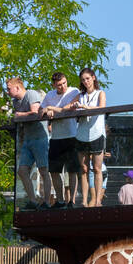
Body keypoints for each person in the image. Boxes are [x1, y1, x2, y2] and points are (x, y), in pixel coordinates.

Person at [7, 76, 52, 208]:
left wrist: (20, 115)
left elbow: (35, 113)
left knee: (44, 170)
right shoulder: (16, 102)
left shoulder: (31, 94)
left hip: (40, 138)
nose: (7, 92)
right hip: (27, 139)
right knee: (22, 170)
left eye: (9, 89)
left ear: (17, 87)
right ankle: (33, 200)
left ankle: (47, 202)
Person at [40, 71, 81, 206]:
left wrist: (52, 108)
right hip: (56, 137)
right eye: (59, 85)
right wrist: (46, 111)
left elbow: (68, 109)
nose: (63, 87)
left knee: (72, 170)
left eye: (64, 83)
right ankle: (60, 200)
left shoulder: (73, 91)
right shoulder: (50, 95)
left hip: (71, 135)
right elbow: (40, 110)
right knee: (54, 171)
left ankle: (72, 201)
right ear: (54, 85)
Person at [75, 67, 107, 206]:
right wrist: (75, 106)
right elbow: (70, 107)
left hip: (96, 133)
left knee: (97, 168)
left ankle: (98, 201)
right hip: (82, 134)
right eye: (83, 80)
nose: (86, 82)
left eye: (88, 78)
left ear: (93, 77)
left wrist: (86, 108)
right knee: (83, 169)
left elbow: (102, 107)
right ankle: (84, 201)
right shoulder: (80, 95)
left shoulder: (100, 93)